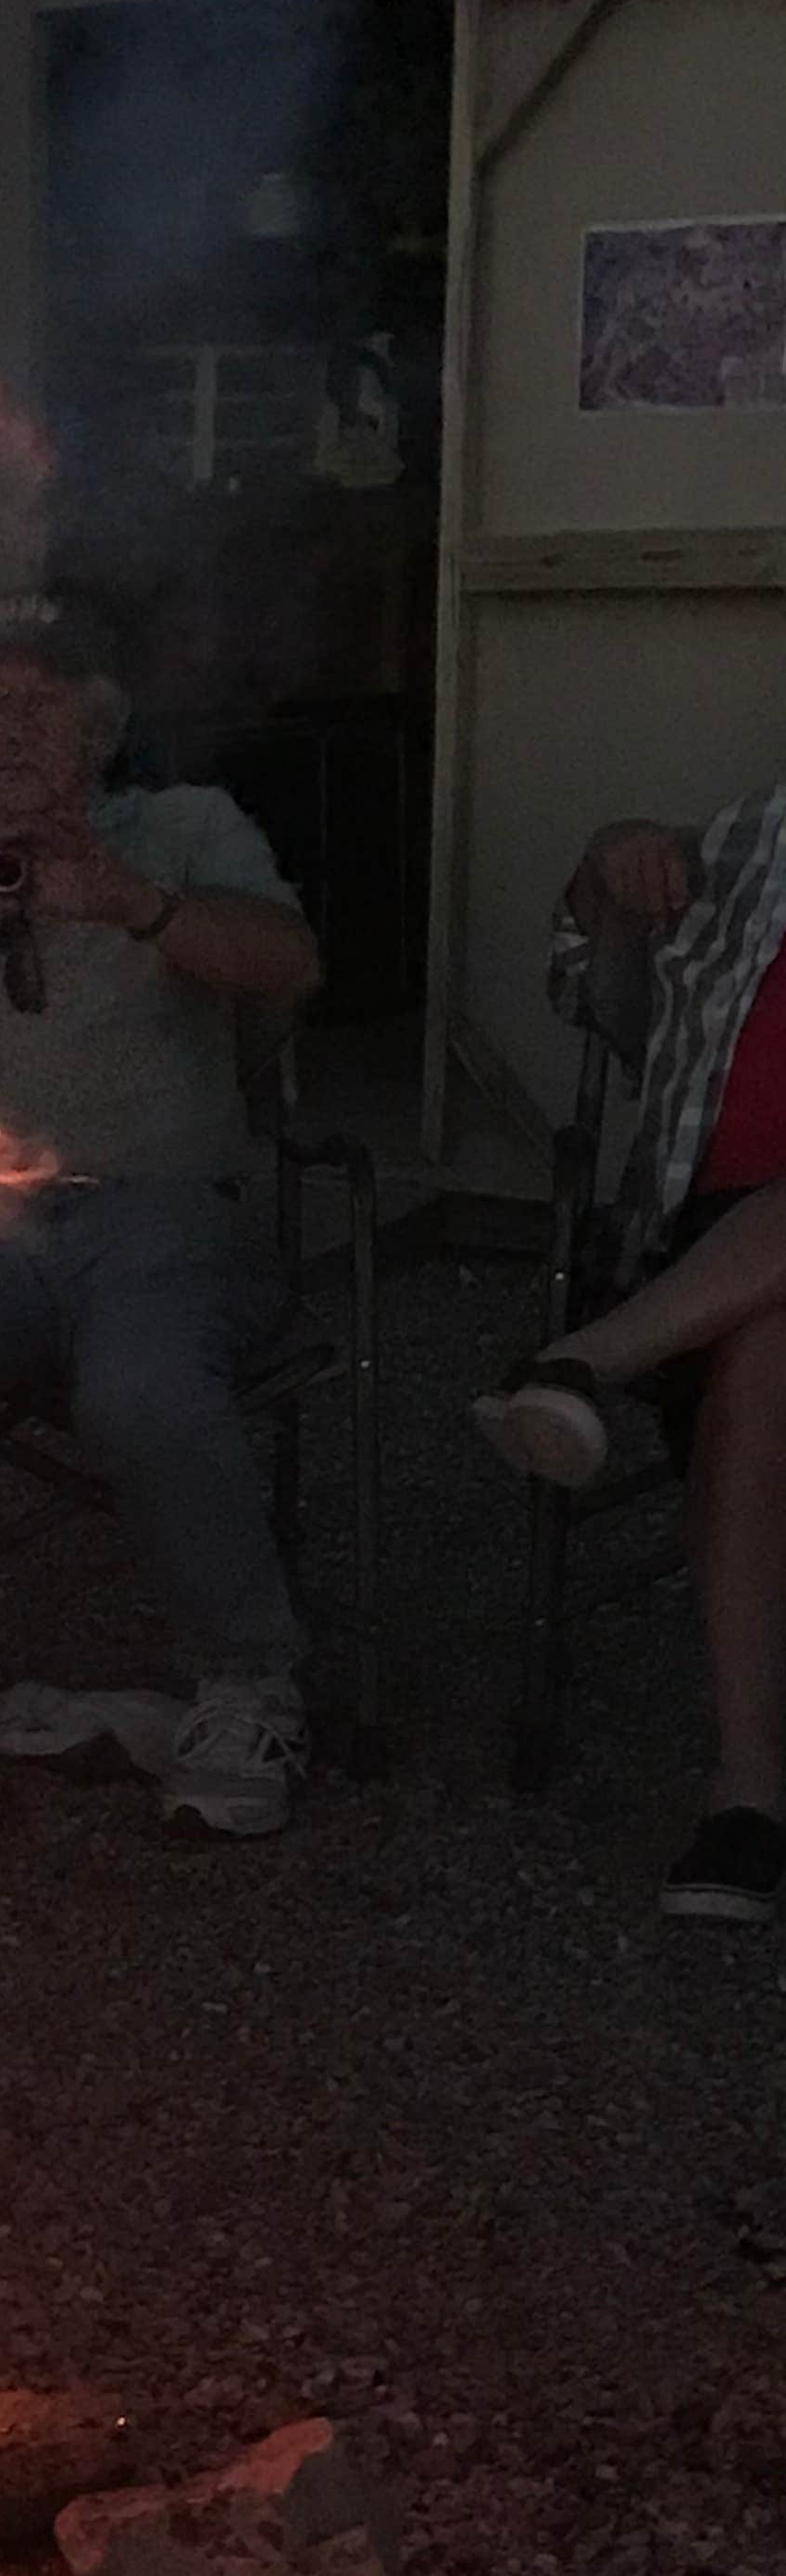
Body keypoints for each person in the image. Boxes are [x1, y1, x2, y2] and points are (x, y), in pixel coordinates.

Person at [0, 590, 325, 1901]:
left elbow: (289, 964)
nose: (11, 728)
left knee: (146, 1388)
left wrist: (134, 906)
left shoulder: (180, 830)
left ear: (101, 728)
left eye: (42, 700)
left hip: (155, 1206)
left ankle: (246, 1681)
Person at [473, 798, 786, 1922]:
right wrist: (606, 880)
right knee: (765, 1343)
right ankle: (749, 1792)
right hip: (709, 1256)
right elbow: (597, 1000)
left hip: (675, 1304)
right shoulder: (749, 842)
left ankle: (577, 1365)